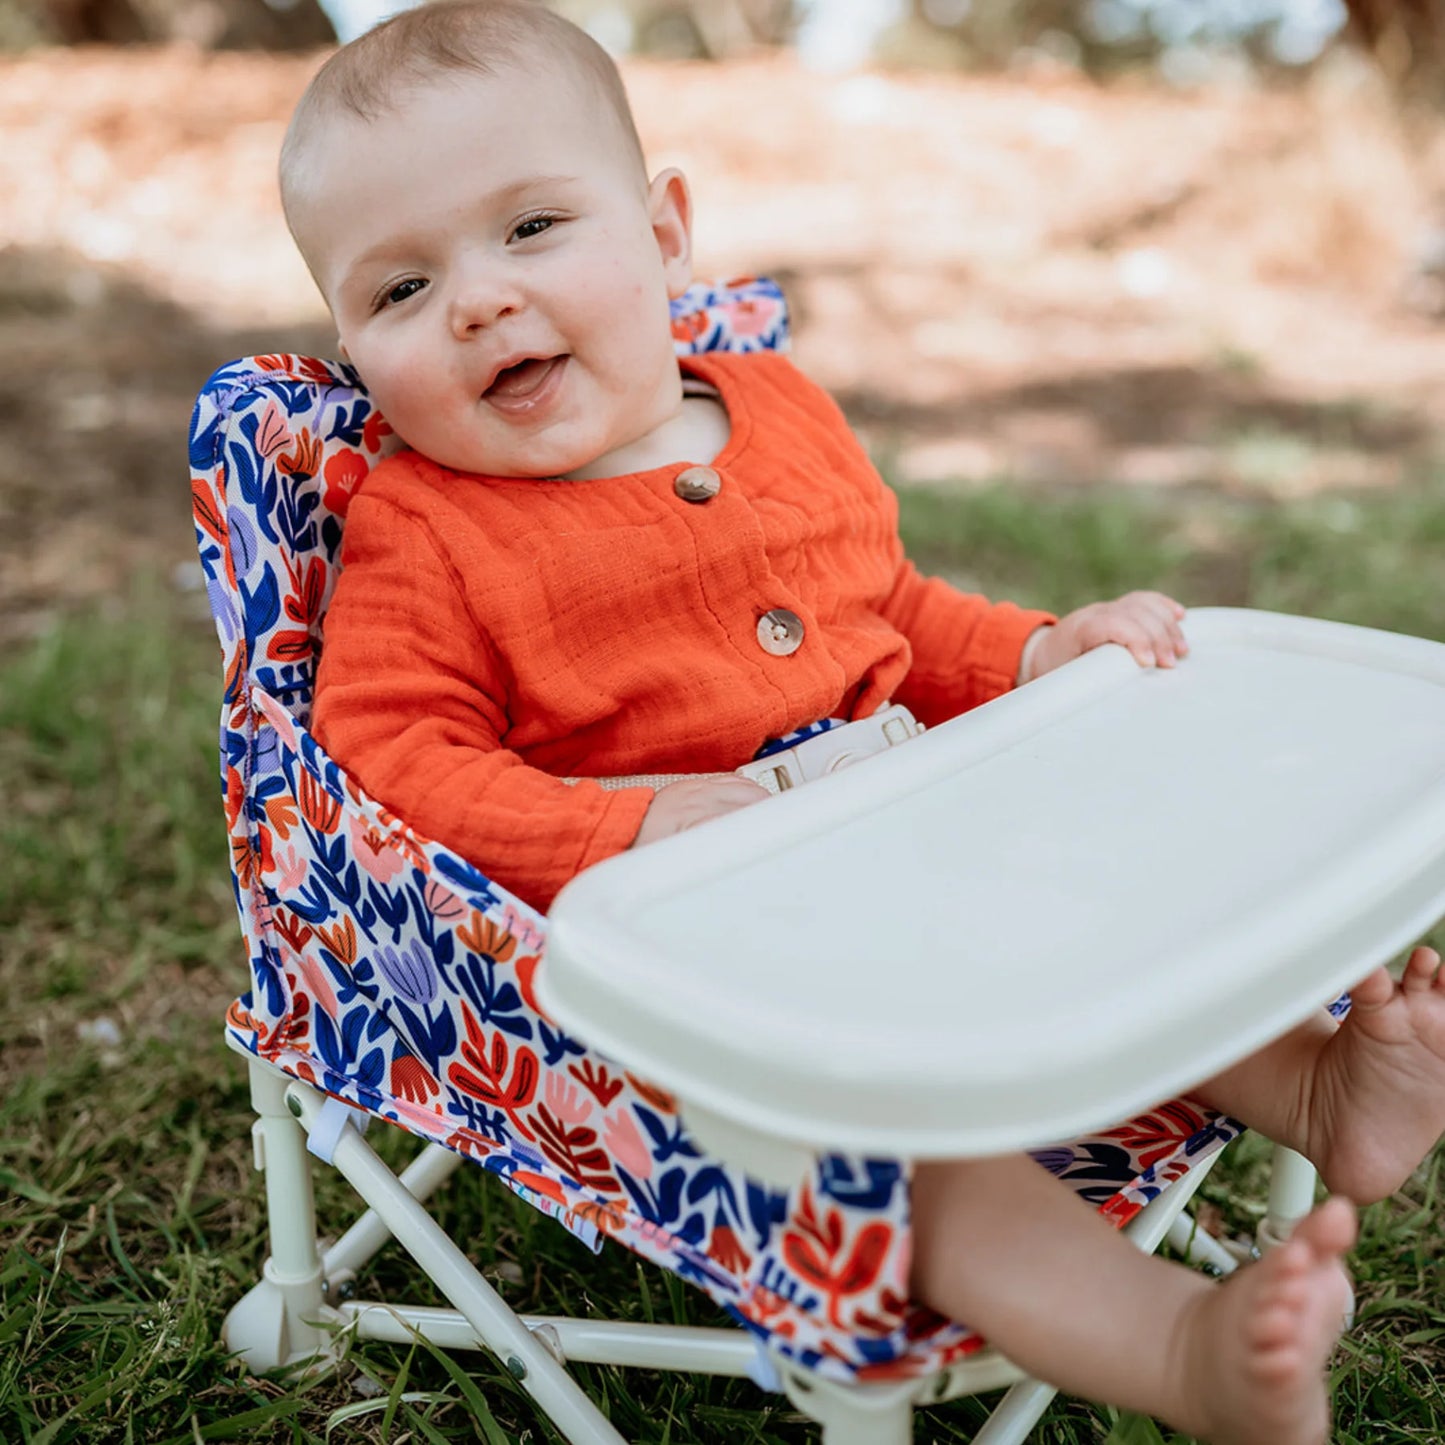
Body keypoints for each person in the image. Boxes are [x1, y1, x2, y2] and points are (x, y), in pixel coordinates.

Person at [277, 5, 1445, 1441]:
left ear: (662, 235)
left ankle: (1314, 1085)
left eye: (529, 228)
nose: (474, 301)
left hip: (917, 826)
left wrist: (1033, 652)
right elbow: (391, 766)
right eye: (398, 290)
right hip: (714, 947)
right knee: (889, 1149)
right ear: (345, 345)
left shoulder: (774, 407)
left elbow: (888, 606)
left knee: (1098, 894)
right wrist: (621, 825)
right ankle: (1181, 1349)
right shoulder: (425, 529)